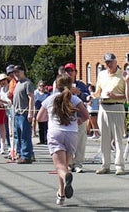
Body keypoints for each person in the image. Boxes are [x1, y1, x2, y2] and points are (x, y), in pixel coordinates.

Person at [37, 74, 89, 206]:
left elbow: (39, 118)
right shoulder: (75, 98)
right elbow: (86, 115)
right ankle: (61, 194)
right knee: (64, 165)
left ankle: (67, 177)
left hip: (55, 132)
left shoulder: (50, 99)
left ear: (56, 85)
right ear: (71, 85)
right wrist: (78, 121)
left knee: (59, 166)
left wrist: (50, 117)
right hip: (71, 133)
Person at [92, 53, 129, 175]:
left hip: (117, 107)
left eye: (110, 62)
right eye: (106, 62)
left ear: (115, 61)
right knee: (104, 138)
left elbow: (127, 96)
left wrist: (115, 96)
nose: (108, 64)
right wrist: (92, 96)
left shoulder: (123, 75)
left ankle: (119, 166)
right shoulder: (102, 74)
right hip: (103, 106)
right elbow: (98, 91)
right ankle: (105, 165)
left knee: (118, 137)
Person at [64, 62, 90, 173]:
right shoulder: (61, 84)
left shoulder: (81, 84)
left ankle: (78, 163)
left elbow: (88, 97)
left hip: (79, 116)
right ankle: (68, 163)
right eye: (67, 71)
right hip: (66, 117)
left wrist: (79, 93)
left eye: (71, 71)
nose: (69, 73)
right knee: (67, 141)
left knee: (80, 141)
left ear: (75, 72)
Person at [13, 65, 35, 164]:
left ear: (23, 71)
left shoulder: (27, 83)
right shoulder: (17, 84)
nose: (16, 74)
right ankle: (20, 154)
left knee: (25, 136)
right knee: (18, 135)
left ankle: (26, 156)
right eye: (15, 72)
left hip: (24, 113)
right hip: (17, 112)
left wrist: (30, 112)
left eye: (18, 71)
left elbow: (31, 98)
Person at [34, 80, 49, 144]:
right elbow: (34, 103)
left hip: (45, 112)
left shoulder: (47, 95)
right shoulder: (36, 95)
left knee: (46, 126)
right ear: (38, 87)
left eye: (43, 86)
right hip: (38, 111)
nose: (42, 87)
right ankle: (41, 140)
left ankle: (46, 140)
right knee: (40, 127)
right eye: (40, 86)